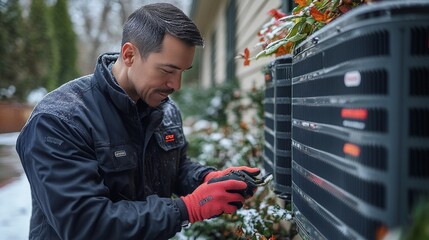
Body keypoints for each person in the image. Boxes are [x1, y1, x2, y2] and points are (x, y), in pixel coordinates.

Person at [16, 3, 260, 240]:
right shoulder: (58, 121)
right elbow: (85, 223)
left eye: (183, 72)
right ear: (129, 54)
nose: (176, 85)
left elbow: (175, 168)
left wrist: (207, 179)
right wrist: (187, 209)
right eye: (167, 70)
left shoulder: (164, 108)